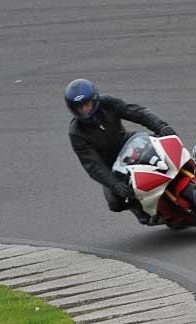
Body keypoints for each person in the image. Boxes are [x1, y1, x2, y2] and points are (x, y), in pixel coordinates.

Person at [65, 78, 177, 225]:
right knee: (114, 201)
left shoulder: (109, 103)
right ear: (73, 110)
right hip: (111, 164)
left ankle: (195, 174)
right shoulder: (76, 133)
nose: (85, 110)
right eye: (80, 108)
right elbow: (93, 165)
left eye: (87, 104)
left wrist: (161, 127)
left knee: (161, 144)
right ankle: (138, 209)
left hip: (130, 143)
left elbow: (138, 112)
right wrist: (115, 184)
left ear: (94, 100)